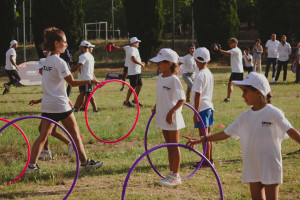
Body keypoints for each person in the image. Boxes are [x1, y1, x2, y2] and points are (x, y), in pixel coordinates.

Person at [184, 72, 300, 200]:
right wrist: (202, 138)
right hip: (252, 165)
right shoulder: (244, 117)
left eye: (245, 91)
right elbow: (225, 133)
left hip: (270, 165)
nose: (242, 95)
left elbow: (290, 131)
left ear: (258, 93)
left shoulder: (273, 113)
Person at [25, 27, 103, 173]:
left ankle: (31, 166)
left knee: (43, 136)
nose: (66, 45)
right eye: (64, 42)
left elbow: (54, 84)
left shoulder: (46, 61)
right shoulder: (59, 62)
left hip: (48, 105)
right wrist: (90, 80)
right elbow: (72, 83)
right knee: (75, 134)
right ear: (56, 43)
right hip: (60, 105)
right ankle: (86, 163)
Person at [150, 48, 185, 186]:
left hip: (172, 118)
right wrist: (156, 106)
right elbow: (162, 96)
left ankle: (176, 176)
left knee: (174, 146)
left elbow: (182, 99)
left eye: (160, 63)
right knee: (168, 146)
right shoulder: (160, 78)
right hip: (162, 116)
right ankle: (172, 173)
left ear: (169, 63)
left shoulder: (174, 80)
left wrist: (172, 112)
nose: (157, 65)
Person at [190, 47, 214, 168]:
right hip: (209, 107)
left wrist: (196, 112)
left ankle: (206, 161)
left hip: (202, 109)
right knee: (208, 135)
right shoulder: (208, 73)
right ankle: (210, 159)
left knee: (204, 136)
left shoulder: (199, 75)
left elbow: (198, 95)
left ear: (196, 60)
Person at [72, 40, 99, 113]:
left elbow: (79, 65)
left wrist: (69, 71)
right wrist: (94, 78)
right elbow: (92, 70)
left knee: (86, 94)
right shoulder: (91, 56)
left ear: (82, 47)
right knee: (84, 93)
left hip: (85, 79)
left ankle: (95, 110)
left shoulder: (83, 56)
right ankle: (76, 108)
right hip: (87, 78)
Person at [214, 38, 244, 102]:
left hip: (237, 71)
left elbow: (226, 53)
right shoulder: (236, 50)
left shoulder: (235, 50)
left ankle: (228, 98)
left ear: (234, 43)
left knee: (238, 85)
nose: (229, 44)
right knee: (233, 84)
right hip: (237, 71)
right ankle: (228, 98)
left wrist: (218, 50)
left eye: (230, 43)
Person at [123, 37, 145, 108]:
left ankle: (135, 100)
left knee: (139, 85)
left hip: (137, 71)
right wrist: (140, 64)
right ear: (134, 43)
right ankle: (126, 101)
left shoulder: (134, 49)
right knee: (132, 86)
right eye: (137, 42)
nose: (138, 43)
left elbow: (135, 59)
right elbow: (133, 58)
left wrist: (140, 62)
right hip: (133, 71)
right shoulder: (132, 49)